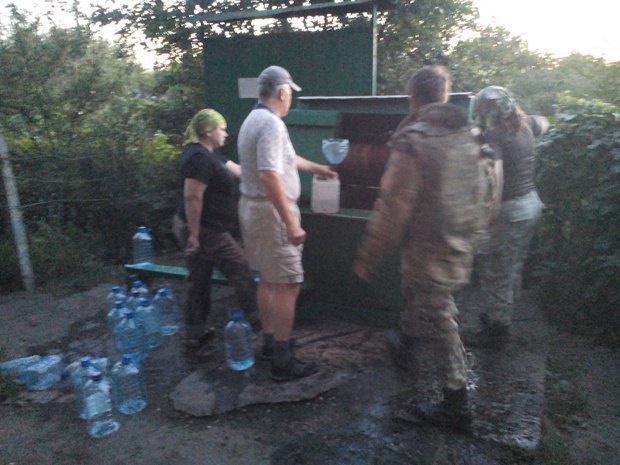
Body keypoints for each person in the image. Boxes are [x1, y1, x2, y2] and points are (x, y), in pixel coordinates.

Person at [353, 65, 491, 433]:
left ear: (413, 98)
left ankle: (456, 402)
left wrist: (368, 256)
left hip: (428, 247)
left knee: (440, 312)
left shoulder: (415, 141)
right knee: (423, 298)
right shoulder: (471, 138)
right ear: (445, 95)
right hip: (461, 239)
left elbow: (392, 207)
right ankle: (405, 340)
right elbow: (488, 192)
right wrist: (477, 236)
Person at [237, 65, 337, 381]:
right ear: (282, 92)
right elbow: (269, 175)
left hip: (252, 208)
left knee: (268, 279)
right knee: (290, 284)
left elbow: (288, 161)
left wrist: (318, 168)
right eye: (290, 93)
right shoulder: (272, 125)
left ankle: (270, 343)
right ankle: (282, 360)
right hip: (272, 214)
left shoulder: (254, 120)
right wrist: (290, 223)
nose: (290, 99)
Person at [470, 86, 549, 347]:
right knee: (511, 267)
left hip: (510, 209)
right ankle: (498, 314)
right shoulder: (526, 124)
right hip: (530, 204)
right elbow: (544, 123)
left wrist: (488, 218)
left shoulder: (495, 136)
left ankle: (497, 329)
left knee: (496, 269)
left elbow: (496, 180)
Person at [173, 108, 257, 352]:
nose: (226, 133)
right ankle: (258, 325)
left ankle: (194, 334)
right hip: (206, 230)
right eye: (222, 129)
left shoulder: (211, 155)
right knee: (241, 270)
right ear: (208, 131)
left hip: (205, 229)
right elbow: (192, 197)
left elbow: (239, 171)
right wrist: (195, 235)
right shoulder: (198, 158)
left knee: (198, 280)